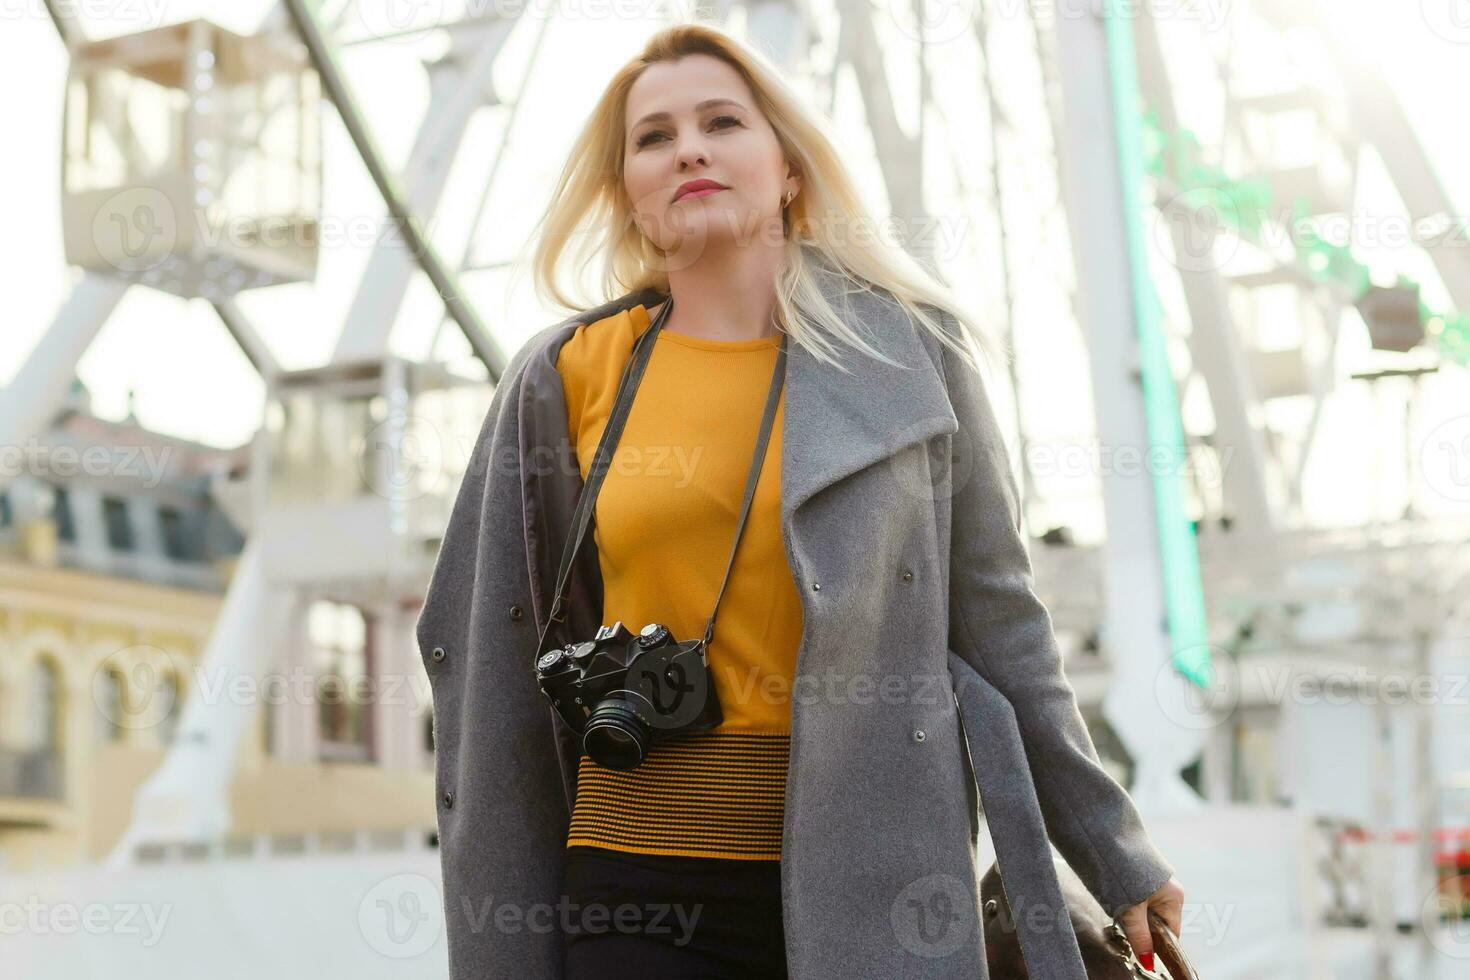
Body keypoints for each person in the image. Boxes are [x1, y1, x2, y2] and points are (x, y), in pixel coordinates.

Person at [419, 21, 1183, 980]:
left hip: (882, 887)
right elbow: (486, 652)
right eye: (653, 137)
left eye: (721, 121)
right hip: (636, 891)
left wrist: (1115, 853)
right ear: (629, 194)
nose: (687, 147)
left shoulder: (911, 355)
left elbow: (1003, 628)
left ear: (787, 167)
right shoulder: (564, 376)